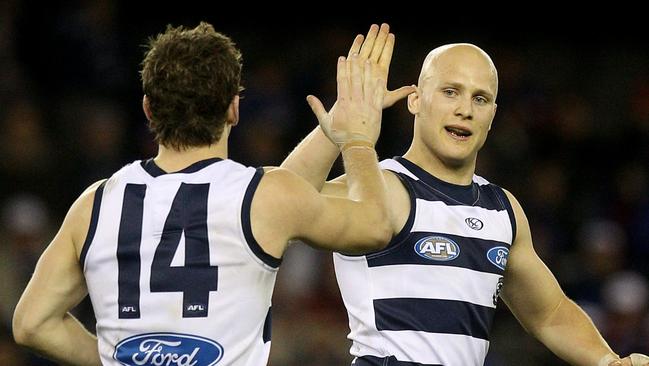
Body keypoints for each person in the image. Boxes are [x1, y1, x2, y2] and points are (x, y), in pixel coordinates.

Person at [12, 22, 399, 366]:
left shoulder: (96, 202)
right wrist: (358, 141)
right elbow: (375, 226)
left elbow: (32, 324)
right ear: (233, 109)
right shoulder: (266, 198)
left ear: (148, 109)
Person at [281, 26, 649, 366]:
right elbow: (277, 203)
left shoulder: (502, 209)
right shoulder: (376, 185)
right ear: (415, 100)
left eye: (480, 98)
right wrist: (341, 127)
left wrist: (608, 361)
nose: (465, 109)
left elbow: (550, 313)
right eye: (450, 91)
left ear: (492, 115)